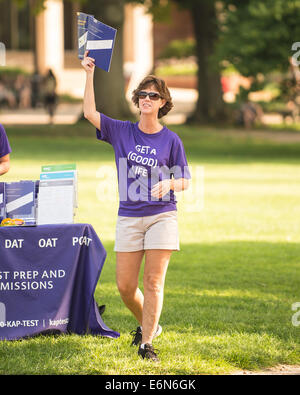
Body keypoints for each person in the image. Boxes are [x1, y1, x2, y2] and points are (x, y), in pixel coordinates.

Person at [81, 51, 191, 362]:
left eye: (153, 95)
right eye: (142, 94)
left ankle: (146, 345)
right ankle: (150, 327)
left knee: (153, 281)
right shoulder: (122, 131)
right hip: (129, 216)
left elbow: (185, 180)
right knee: (126, 287)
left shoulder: (172, 141)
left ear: (162, 103)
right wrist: (89, 74)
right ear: (138, 99)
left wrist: (169, 184)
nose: (146, 98)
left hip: (161, 216)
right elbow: (90, 112)